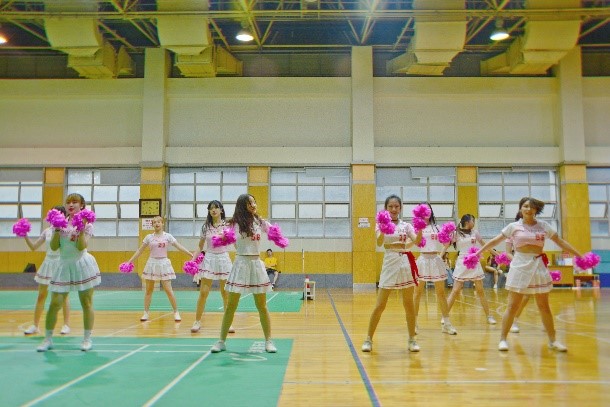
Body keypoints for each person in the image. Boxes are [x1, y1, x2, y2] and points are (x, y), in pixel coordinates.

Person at [476, 197, 583, 352]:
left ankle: (553, 341)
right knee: (512, 306)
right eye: (525, 206)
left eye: (532, 207)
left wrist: (579, 255)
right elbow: (494, 241)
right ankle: (503, 339)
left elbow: (560, 242)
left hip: (538, 266)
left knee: (544, 306)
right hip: (519, 265)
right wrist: (478, 253)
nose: (528, 209)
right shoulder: (513, 226)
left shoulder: (543, 226)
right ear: (520, 208)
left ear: (536, 210)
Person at [210, 194, 278, 354]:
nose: (253, 205)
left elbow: (274, 233)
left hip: (256, 263)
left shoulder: (260, 222)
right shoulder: (233, 224)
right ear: (242, 206)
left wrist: (278, 236)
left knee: (262, 306)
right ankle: (221, 341)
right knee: (231, 306)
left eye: (254, 202)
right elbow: (222, 238)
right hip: (240, 263)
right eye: (249, 203)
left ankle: (268, 341)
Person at [37, 193, 101, 352]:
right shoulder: (59, 223)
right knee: (55, 303)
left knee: (86, 302)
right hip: (63, 264)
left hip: (82, 264)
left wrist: (81, 229)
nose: (71, 205)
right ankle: (48, 339)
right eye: (68, 202)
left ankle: (87, 339)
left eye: (75, 202)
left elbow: (81, 247)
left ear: (82, 205)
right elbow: (54, 247)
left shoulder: (87, 225)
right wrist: (57, 230)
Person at [361, 195, 422, 353]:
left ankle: (412, 339)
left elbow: (417, 241)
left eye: (396, 206)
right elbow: (380, 242)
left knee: (408, 304)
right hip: (389, 262)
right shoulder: (379, 224)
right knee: (380, 305)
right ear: (386, 208)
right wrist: (382, 229)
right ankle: (368, 339)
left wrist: (421, 228)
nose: (394, 209)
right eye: (391, 206)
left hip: (405, 262)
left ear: (400, 208)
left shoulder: (406, 225)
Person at [125, 216, 193, 323]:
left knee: (168, 290)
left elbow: (179, 246)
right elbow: (139, 250)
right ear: (152, 225)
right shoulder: (148, 237)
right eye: (155, 222)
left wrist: (191, 254)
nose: (157, 224)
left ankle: (176, 312)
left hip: (164, 263)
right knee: (149, 290)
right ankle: (146, 312)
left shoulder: (168, 236)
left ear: (162, 223)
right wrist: (129, 261)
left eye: (159, 222)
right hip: (152, 263)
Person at [22, 205, 71, 336]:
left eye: (60, 214)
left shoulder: (67, 230)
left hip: (61, 264)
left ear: (64, 216)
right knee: (41, 296)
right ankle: (35, 325)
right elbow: (34, 247)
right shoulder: (47, 231)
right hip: (47, 264)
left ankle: (66, 325)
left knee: (64, 296)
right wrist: (25, 234)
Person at [444, 214, 497, 326]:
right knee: (455, 291)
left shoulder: (475, 232)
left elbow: (485, 245)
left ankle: (489, 316)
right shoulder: (456, 233)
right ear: (467, 222)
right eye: (473, 221)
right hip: (462, 262)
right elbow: (446, 246)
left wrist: (498, 255)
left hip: (474, 261)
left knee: (480, 291)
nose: (474, 223)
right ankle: (445, 316)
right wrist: (440, 256)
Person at [413, 203, 457, 335]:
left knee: (441, 293)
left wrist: (450, 239)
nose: (427, 212)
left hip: (435, 260)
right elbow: (415, 242)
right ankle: (413, 323)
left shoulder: (437, 227)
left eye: (429, 210)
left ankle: (446, 324)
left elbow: (445, 244)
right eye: (424, 210)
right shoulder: (417, 227)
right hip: (422, 260)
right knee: (417, 293)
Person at [190, 200, 234, 334]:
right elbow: (200, 246)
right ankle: (197, 321)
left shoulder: (227, 226)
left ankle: (228, 323)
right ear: (209, 211)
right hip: (209, 258)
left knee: (225, 293)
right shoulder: (205, 227)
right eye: (211, 208)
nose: (213, 210)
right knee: (203, 292)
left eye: (216, 208)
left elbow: (233, 241)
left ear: (221, 210)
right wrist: (192, 260)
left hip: (223, 259)